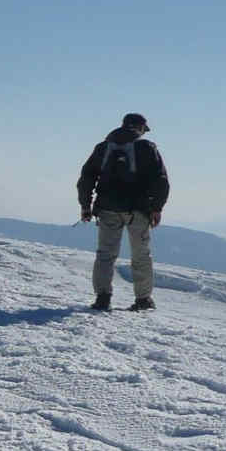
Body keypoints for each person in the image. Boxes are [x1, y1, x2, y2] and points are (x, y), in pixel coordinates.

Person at [77, 113, 169, 312]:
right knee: (141, 255)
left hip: (108, 208)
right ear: (140, 127)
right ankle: (143, 300)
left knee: (105, 254)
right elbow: (161, 180)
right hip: (139, 210)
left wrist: (85, 206)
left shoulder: (103, 148)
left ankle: (103, 298)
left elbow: (86, 177)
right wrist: (157, 208)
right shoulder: (146, 147)